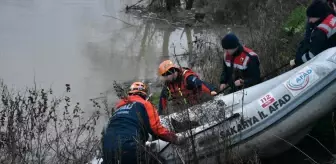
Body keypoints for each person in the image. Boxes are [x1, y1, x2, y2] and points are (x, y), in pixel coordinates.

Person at [102, 82, 185, 164]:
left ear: (130, 93)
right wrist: (175, 139)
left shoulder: (118, 109)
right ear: (144, 94)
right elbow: (156, 129)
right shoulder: (145, 104)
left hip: (106, 150)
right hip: (128, 147)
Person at [290, 0, 336, 67]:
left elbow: (312, 55)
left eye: (311, 17)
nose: (309, 20)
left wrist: (297, 61)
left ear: (317, 15)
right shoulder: (332, 17)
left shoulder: (320, 32)